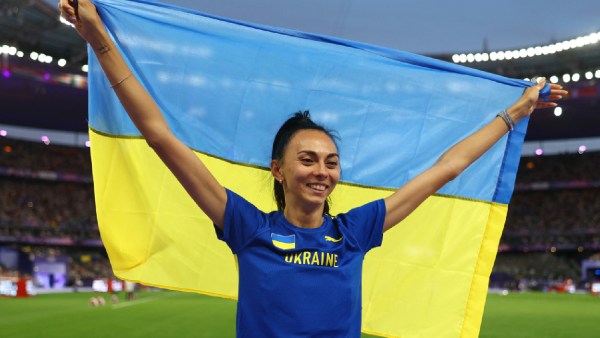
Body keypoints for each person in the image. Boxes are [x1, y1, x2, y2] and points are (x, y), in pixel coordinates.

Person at [59, 1, 566, 336]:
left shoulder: (355, 230)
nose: (322, 171)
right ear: (277, 170)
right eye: (307, 159)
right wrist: (100, 38)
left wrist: (514, 113)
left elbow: (445, 169)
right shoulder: (246, 226)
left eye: (331, 161)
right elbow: (161, 136)